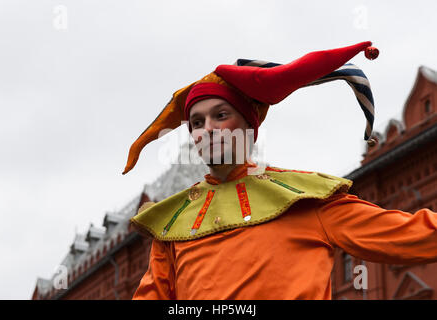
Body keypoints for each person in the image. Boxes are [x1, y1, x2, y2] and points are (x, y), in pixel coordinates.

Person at [122, 41, 437, 299]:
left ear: (249, 126)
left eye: (220, 115)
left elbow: (415, 235)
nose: (209, 130)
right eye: (197, 122)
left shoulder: (304, 200)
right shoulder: (174, 223)